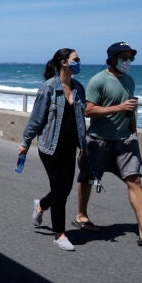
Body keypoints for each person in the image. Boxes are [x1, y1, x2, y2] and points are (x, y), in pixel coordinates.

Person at [75, 41, 142, 246]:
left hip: (125, 140)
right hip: (99, 140)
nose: (128, 62)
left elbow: (130, 109)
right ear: (112, 59)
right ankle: (82, 215)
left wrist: (134, 132)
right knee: (88, 179)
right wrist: (118, 108)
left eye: (130, 58)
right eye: (124, 58)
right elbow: (88, 110)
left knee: (134, 180)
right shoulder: (98, 80)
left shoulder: (129, 80)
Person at [19, 48, 87, 251]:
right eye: (76, 59)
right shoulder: (48, 88)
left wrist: (84, 145)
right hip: (50, 148)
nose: (79, 62)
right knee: (60, 189)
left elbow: (80, 120)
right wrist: (25, 142)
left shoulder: (79, 88)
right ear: (64, 63)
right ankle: (59, 234)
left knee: (63, 189)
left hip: (70, 148)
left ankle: (41, 205)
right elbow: (36, 119)